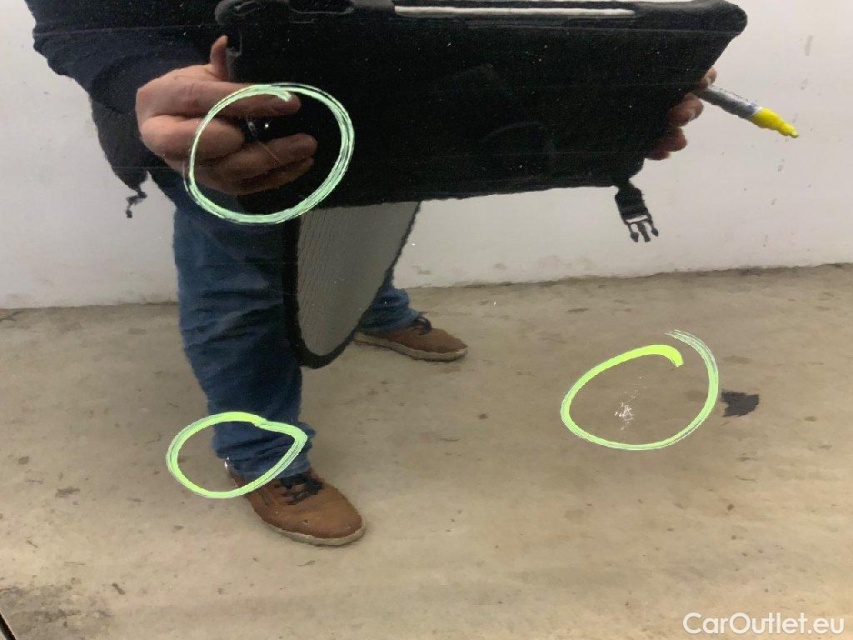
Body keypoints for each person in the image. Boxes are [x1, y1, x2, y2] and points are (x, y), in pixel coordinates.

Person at [23, 1, 714, 547]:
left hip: (387, 69)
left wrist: (618, 60)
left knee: (376, 198)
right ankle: (259, 453)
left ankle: (369, 310)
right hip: (211, 100)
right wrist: (149, 76)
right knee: (241, 282)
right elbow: (79, 17)